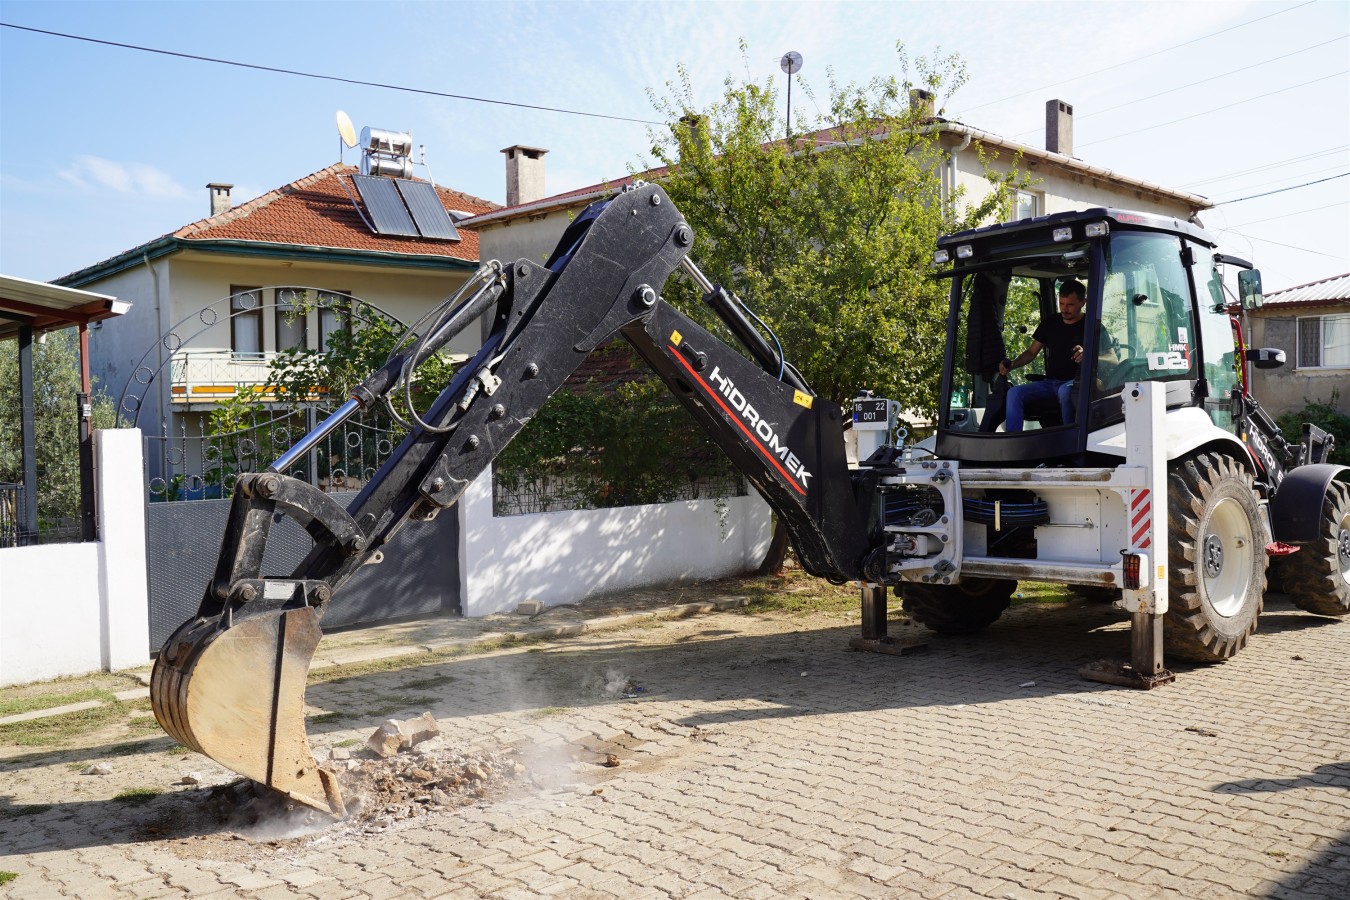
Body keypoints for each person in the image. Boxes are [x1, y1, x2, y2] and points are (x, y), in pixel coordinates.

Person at [999, 280, 1088, 431]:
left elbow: (1111, 358)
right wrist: (1012, 364)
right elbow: (1031, 352)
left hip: (1076, 384)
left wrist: (1088, 354)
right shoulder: (1051, 323)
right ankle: (1014, 441)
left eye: (1070, 305)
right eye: (1062, 303)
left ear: (1083, 302)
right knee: (1014, 393)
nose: (1064, 309)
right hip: (1050, 383)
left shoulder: (1091, 324)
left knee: (1065, 391)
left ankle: (1071, 437)